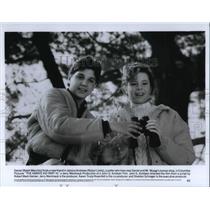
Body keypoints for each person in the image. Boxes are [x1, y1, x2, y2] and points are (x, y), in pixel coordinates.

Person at [26, 56, 140, 165]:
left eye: (90, 80)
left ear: (94, 86)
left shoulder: (89, 119)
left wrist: (125, 140)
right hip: (43, 167)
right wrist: (108, 126)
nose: (85, 83)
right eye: (80, 77)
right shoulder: (53, 95)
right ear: (70, 78)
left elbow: (100, 157)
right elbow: (58, 127)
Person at [99, 63, 195, 165]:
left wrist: (161, 141)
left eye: (144, 83)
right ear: (125, 88)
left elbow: (187, 159)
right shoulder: (115, 119)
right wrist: (122, 141)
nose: (139, 87)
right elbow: (102, 161)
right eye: (133, 83)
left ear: (151, 87)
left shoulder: (170, 116)